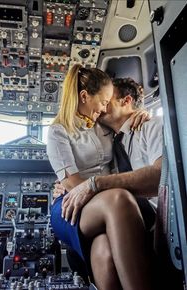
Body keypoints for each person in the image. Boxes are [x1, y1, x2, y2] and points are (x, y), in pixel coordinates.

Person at [47, 65, 159, 290]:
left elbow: (124, 120)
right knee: (119, 199)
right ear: (85, 96)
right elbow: (72, 184)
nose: (105, 107)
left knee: (104, 249)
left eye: (109, 101)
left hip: (104, 199)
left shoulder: (101, 125)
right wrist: (93, 188)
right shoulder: (58, 131)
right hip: (74, 202)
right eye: (103, 101)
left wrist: (141, 112)